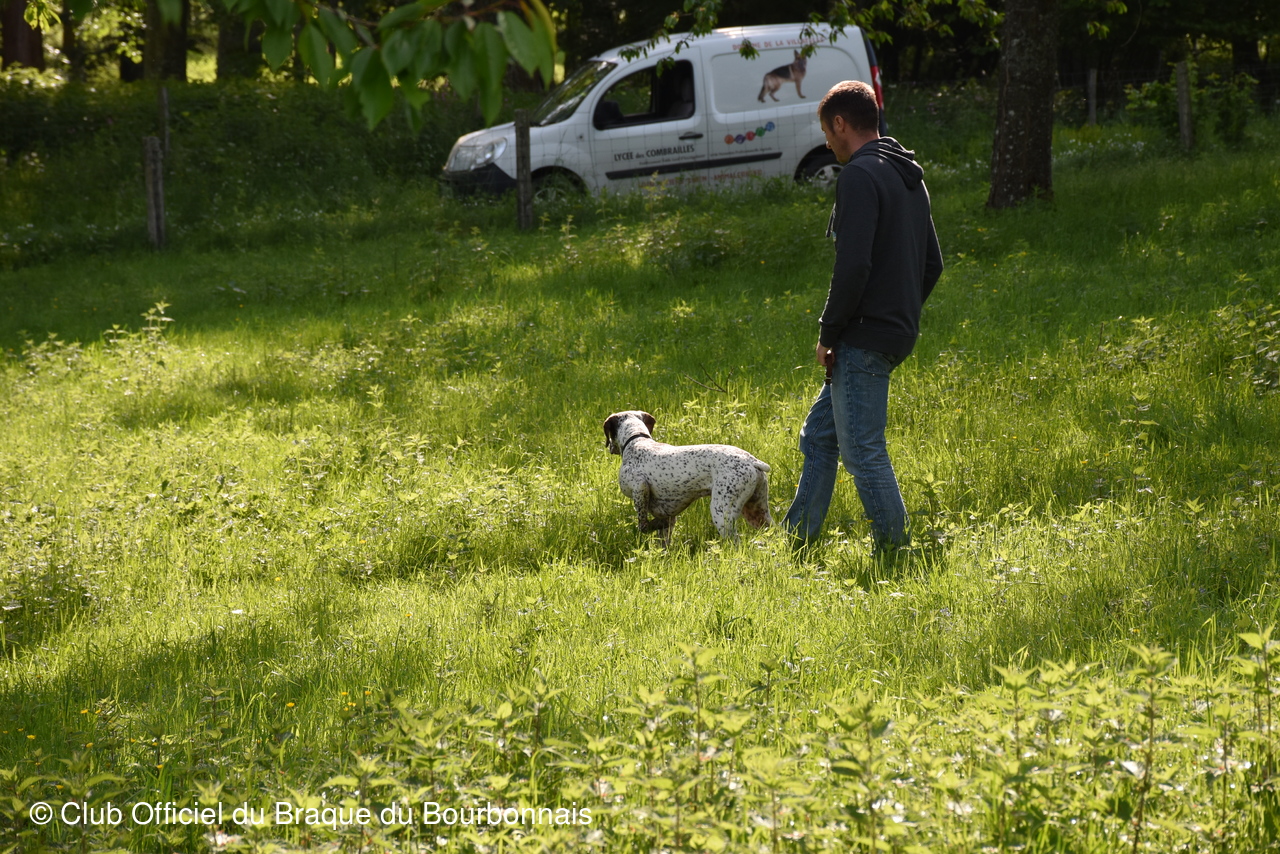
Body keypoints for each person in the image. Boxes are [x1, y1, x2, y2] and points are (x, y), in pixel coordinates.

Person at [783, 80, 944, 552]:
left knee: (863, 452)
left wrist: (829, 332)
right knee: (820, 436)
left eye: (826, 133)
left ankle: (896, 551)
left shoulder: (858, 175)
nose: (827, 144)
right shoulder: (907, 174)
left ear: (840, 123)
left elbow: (853, 266)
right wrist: (899, 313)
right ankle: (797, 540)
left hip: (863, 336)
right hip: (894, 332)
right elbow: (932, 264)